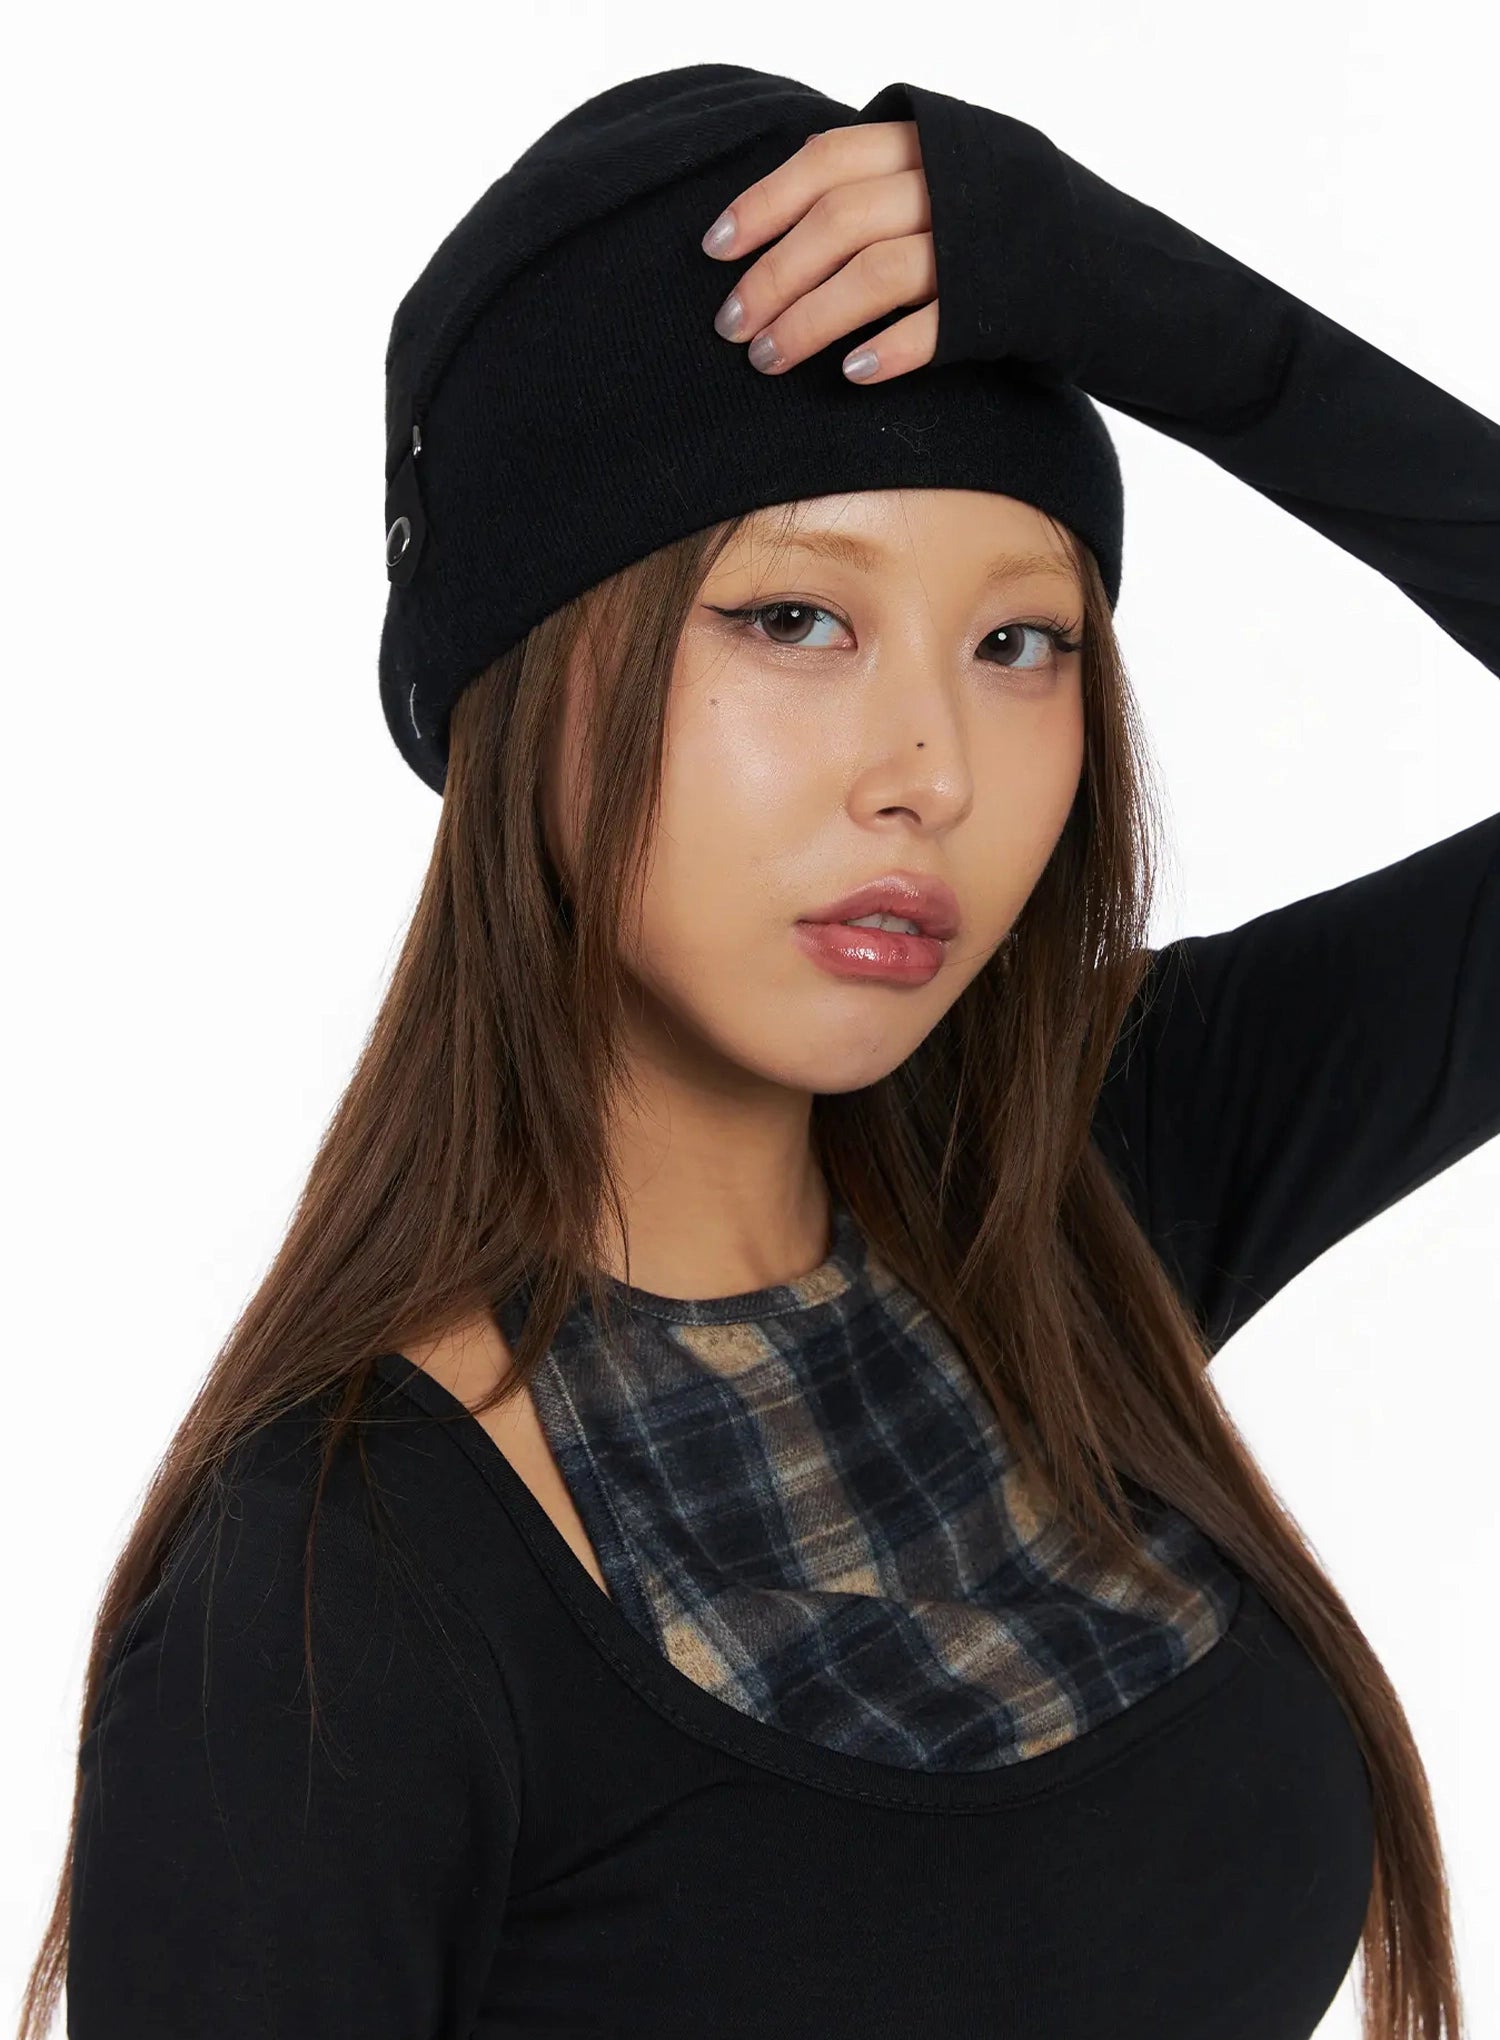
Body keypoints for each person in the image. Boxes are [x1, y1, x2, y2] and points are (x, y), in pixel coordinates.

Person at [26, 61, 1494, 2040]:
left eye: (1021, 644)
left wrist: (1168, 321)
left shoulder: (1072, 1196)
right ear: (530, 682)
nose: (931, 773)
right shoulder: (329, 1613)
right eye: (797, 618)